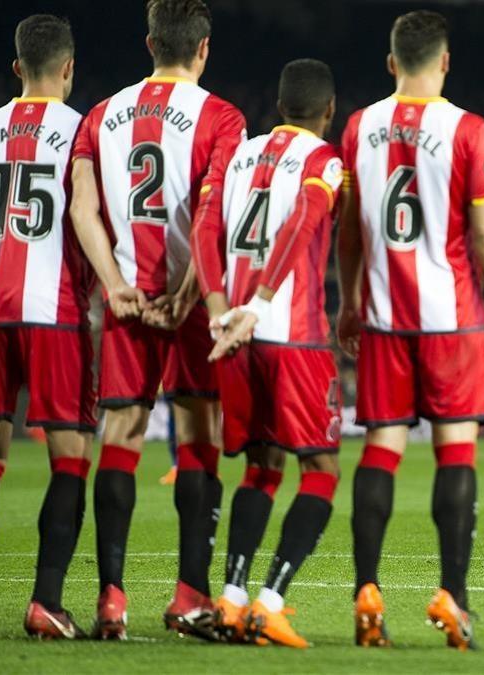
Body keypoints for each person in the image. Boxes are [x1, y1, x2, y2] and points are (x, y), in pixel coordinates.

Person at [337, 10, 484, 651]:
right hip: (451, 321)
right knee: (455, 451)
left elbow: (350, 229)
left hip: (385, 318)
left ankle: (366, 591)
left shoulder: (358, 127)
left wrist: (350, 300)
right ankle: (454, 596)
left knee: (381, 448)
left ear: (391, 63)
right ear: (444, 62)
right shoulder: (469, 129)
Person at [69, 0, 245, 640]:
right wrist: (189, 291)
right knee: (200, 434)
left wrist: (114, 285)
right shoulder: (221, 117)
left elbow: (83, 209)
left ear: (149, 43)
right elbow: (212, 213)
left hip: (126, 301)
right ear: (203, 49)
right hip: (190, 303)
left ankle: (111, 601)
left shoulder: (101, 114)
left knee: (121, 434)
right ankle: (190, 597)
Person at [0, 14, 95, 639]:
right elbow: (92, 222)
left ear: (17, 68)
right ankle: (46, 602)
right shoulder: (84, 131)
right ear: (68, 67)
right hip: (52, 305)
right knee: (69, 457)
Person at [192, 58, 343, 649]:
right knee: (322, 471)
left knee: (260, 467)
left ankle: (230, 599)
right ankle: (270, 603)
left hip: (232, 332)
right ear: (328, 111)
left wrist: (217, 310)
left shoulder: (237, 153)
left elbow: (205, 223)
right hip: (291, 331)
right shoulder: (325, 160)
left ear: (280, 105)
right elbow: (304, 220)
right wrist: (259, 302)